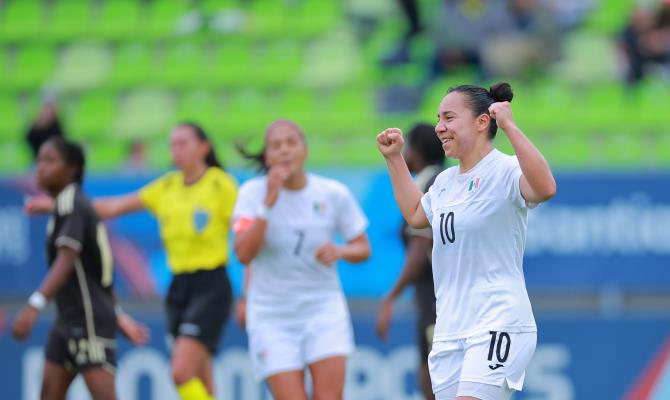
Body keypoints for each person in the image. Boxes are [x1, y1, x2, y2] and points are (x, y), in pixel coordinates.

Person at [25, 122, 237, 400]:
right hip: (178, 288)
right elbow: (110, 208)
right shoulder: (167, 186)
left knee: (181, 372)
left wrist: (249, 290)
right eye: (172, 144)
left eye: (183, 143)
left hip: (211, 284)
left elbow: (246, 233)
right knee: (200, 377)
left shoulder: (220, 184)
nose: (176, 150)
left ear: (204, 147)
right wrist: (56, 205)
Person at [376, 82, 557, 400]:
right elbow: (417, 215)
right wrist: (394, 159)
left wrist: (510, 126)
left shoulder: (504, 170)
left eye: (448, 117)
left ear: (482, 121)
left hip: (497, 321)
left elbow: (544, 188)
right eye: (438, 119)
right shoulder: (445, 181)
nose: (439, 127)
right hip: (450, 330)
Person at [232, 120, 372, 400]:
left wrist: (340, 251)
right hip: (272, 317)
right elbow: (243, 253)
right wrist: (268, 203)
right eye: (276, 145)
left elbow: (363, 248)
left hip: (323, 311)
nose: (284, 151)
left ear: (305, 150)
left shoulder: (333, 193)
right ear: (267, 155)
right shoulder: (251, 194)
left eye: (291, 143)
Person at [13, 136, 149, 400]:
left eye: (50, 160)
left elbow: (66, 260)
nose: (40, 167)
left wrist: (34, 305)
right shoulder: (68, 206)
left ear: (72, 169)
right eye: (39, 160)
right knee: (49, 394)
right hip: (69, 319)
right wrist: (119, 316)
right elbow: (97, 274)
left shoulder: (72, 202)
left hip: (88, 321)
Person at [376, 123, 446, 400]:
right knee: (429, 375)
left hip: (436, 299)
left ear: (415, 150)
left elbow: (420, 247)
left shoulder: (429, 184)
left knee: (436, 379)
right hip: (431, 298)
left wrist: (390, 297)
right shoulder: (440, 179)